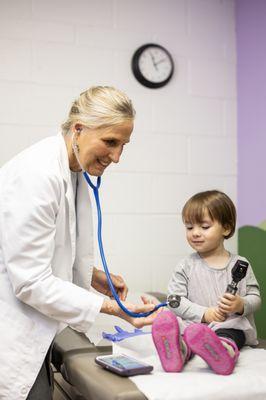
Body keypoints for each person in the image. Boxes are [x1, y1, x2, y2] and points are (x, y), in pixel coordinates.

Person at [0, 86, 157, 400]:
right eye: (110, 142)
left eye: (123, 145)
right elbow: (30, 280)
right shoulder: (38, 174)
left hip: (36, 327)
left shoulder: (73, 170)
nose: (116, 157)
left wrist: (94, 275)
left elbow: (52, 244)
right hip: (13, 330)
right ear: (79, 129)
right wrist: (115, 308)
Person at [152, 190, 261, 375]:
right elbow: (174, 300)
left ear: (226, 228)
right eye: (189, 227)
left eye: (204, 226)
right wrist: (205, 314)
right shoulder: (185, 266)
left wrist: (241, 304)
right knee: (182, 329)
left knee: (232, 332)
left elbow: (255, 298)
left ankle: (223, 353)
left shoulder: (240, 265)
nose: (195, 233)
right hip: (195, 326)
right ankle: (179, 352)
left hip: (229, 325)